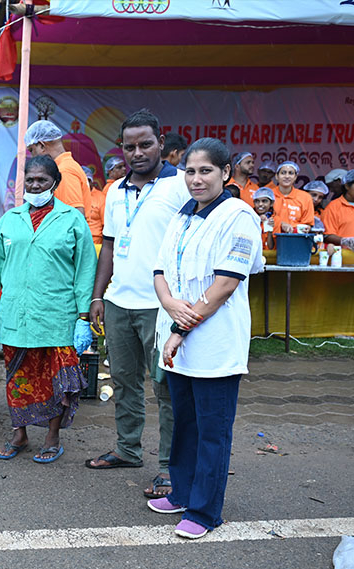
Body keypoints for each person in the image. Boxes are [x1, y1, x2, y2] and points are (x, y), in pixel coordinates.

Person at [148, 137, 264, 539]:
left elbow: (225, 284)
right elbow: (160, 269)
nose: (196, 179)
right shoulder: (183, 214)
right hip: (178, 336)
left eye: (205, 171)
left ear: (225, 173)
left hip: (212, 340)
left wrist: (181, 327)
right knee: (186, 423)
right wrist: (168, 305)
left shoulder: (239, 215)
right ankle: (181, 492)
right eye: (191, 171)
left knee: (213, 429)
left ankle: (204, 511)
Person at [86, 109, 189, 501]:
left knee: (164, 388)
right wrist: (98, 295)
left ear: (162, 143)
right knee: (124, 382)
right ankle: (128, 450)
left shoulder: (181, 185)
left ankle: (168, 467)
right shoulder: (115, 190)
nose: (137, 152)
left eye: (145, 144)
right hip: (119, 302)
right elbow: (109, 244)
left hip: (161, 305)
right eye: (129, 146)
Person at [0, 155, 97, 463]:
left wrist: (84, 317)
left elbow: (85, 270)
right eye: (30, 180)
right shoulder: (9, 219)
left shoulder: (72, 220)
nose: (35, 185)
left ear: (55, 183)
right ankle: (20, 434)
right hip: (17, 316)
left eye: (42, 180)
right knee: (19, 379)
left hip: (58, 316)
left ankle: (52, 437)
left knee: (57, 381)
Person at [24, 120, 91, 215]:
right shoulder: (65, 167)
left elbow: (74, 216)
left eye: (31, 150)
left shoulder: (64, 171)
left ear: (42, 146)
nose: (32, 156)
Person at [271, 161, 314, 233]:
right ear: (276, 176)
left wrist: (306, 228)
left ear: (295, 177)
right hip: (270, 238)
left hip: (295, 239)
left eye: (291, 173)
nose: (287, 176)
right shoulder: (268, 194)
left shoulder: (305, 197)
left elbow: (307, 224)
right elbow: (263, 218)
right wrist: (280, 224)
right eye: (283, 173)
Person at [84, 166, 106, 244]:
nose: (84, 183)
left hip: (95, 242)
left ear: (91, 181)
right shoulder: (75, 196)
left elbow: (105, 225)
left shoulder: (100, 197)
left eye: (87, 180)